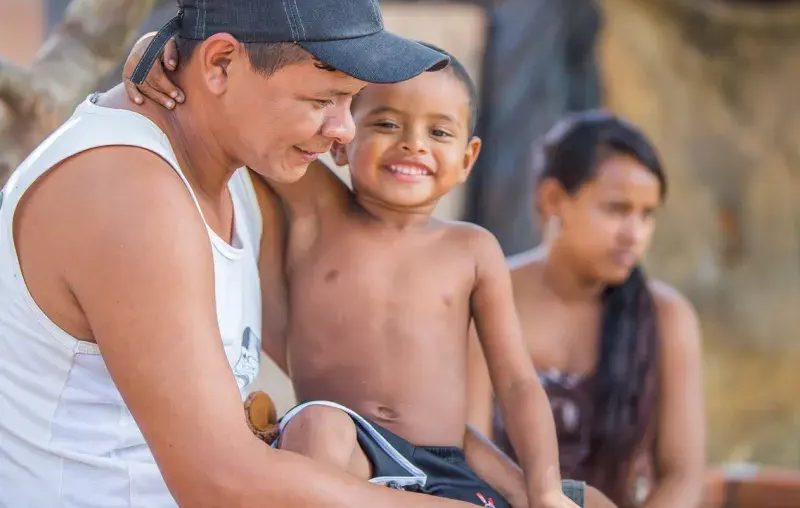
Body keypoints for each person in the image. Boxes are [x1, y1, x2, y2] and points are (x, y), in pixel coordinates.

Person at [0, 0, 494, 508]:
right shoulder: (129, 193)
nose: (342, 131)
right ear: (220, 65)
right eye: (322, 99)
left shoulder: (236, 172)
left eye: (352, 101)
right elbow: (222, 482)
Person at [124, 38, 620, 508]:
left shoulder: (472, 249)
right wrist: (156, 48)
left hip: (444, 466)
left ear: (467, 158)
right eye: (386, 124)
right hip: (345, 456)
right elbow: (236, 119)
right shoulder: (319, 212)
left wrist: (545, 487)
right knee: (319, 423)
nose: (413, 145)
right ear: (339, 140)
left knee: (591, 502)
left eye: (439, 132)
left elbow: (516, 383)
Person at [465, 111, 706, 508]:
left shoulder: (666, 316)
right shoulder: (491, 298)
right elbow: (466, 446)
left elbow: (684, 475)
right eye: (616, 209)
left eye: (647, 215)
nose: (635, 234)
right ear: (553, 199)